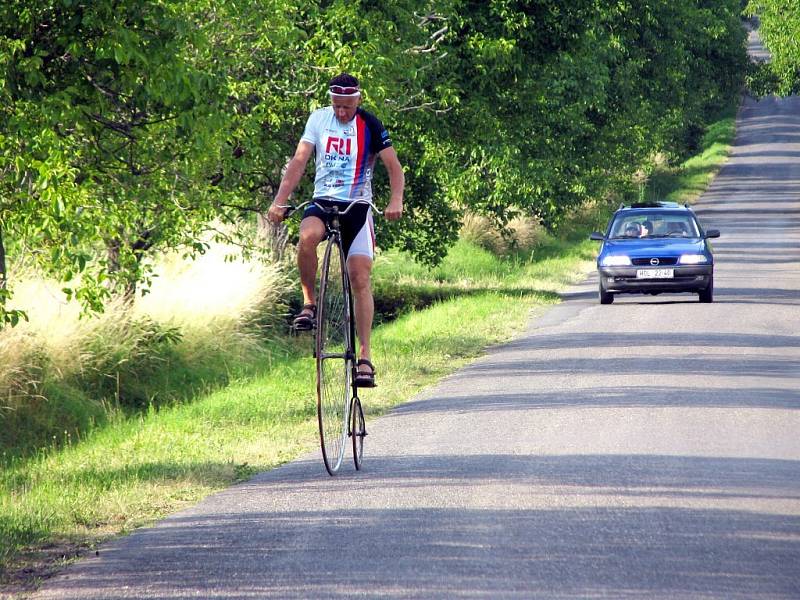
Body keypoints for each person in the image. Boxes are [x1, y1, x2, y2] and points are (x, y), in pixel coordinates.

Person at [267, 73, 405, 388]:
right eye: (337, 105)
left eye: (347, 106)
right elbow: (299, 162)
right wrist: (280, 201)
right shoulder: (318, 120)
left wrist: (395, 200)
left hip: (356, 206)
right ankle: (309, 304)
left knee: (360, 276)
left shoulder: (370, 124)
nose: (342, 112)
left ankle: (366, 358)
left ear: (358, 99)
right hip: (323, 201)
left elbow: (394, 168)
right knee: (306, 237)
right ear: (330, 100)